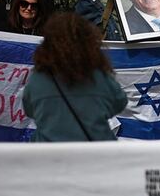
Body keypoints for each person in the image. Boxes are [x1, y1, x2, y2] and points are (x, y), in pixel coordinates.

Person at [22, 13, 128, 141]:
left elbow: (30, 110)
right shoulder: (98, 76)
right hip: (95, 152)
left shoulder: (37, 79)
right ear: (88, 42)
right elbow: (120, 103)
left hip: (48, 154)